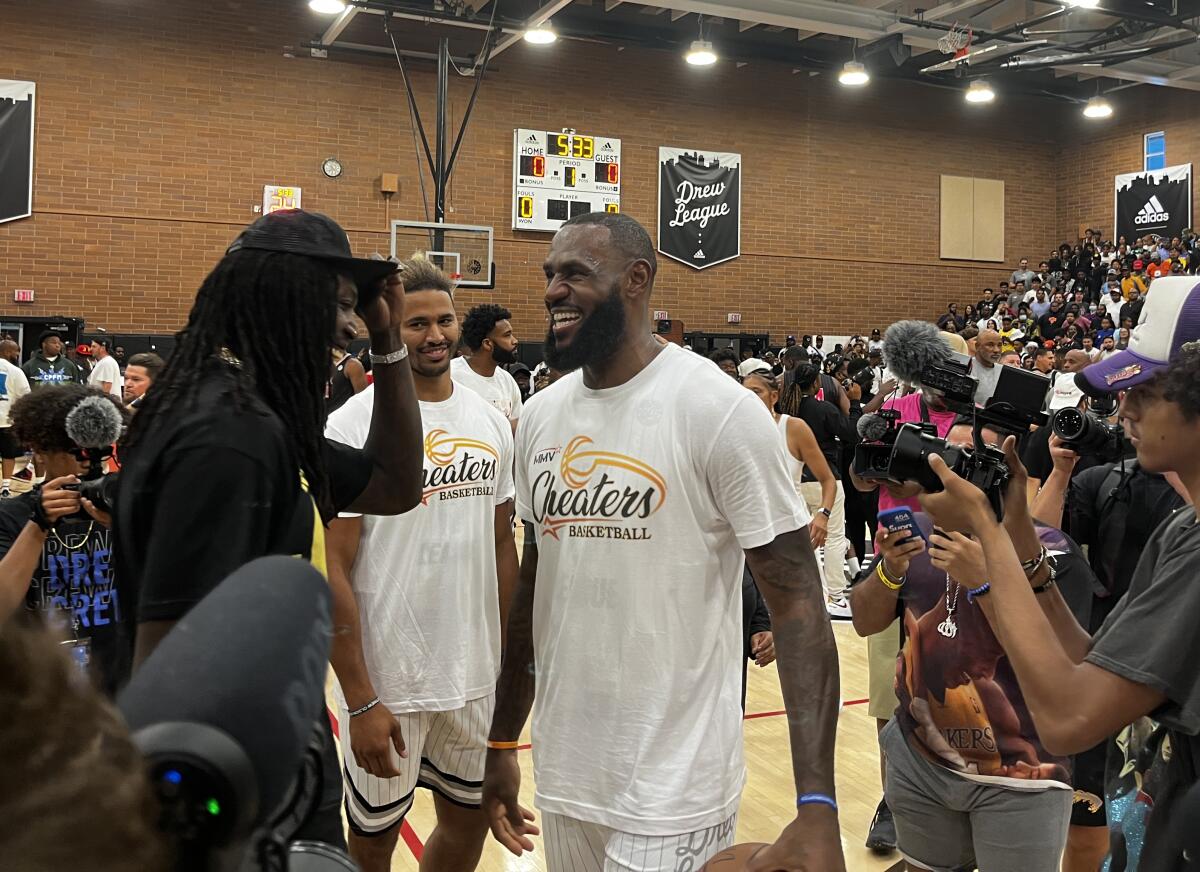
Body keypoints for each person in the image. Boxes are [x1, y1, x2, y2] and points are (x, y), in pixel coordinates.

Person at [483, 212, 844, 872]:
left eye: (575, 274)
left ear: (637, 280)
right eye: (548, 275)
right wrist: (504, 741)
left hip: (676, 788)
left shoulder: (718, 409)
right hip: (566, 774)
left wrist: (817, 803)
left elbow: (799, 610)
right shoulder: (538, 419)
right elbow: (535, 594)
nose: (553, 291)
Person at [115, 209, 425, 849]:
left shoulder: (259, 419)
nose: (350, 324)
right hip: (234, 789)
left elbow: (396, 485)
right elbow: (168, 662)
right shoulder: (230, 437)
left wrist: (389, 342)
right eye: (340, 302)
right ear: (281, 293)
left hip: (275, 747)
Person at [917, 279, 1200, 871]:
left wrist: (986, 533)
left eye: (1146, 390)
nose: (1124, 409)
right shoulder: (1184, 529)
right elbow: (1093, 666)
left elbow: (1070, 720)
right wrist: (1019, 536)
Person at [325, 258, 518, 872]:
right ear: (389, 328)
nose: (434, 335)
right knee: (374, 841)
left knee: (467, 829)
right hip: (390, 680)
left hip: (473, 674)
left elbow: (500, 543)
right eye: (416, 324)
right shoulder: (354, 421)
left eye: (444, 320)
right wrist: (358, 697)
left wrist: (509, 661)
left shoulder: (491, 421)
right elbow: (332, 562)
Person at [850, 420, 1089, 872]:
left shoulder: (1050, 551)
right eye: (938, 456)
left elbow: (1063, 667)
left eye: (964, 461)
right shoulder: (915, 531)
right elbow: (863, 621)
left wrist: (983, 582)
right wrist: (890, 571)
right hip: (921, 761)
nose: (946, 474)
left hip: (1023, 776)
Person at [0, 385, 127, 695]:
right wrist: (38, 526)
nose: (88, 462)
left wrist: (127, 525)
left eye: (101, 450)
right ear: (40, 451)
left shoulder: (123, 508)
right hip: (37, 683)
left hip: (118, 676)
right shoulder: (13, 516)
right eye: (77, 451)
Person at [779, 363, 855, 619]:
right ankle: (835, 595)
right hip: (826, 482)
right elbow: (851, 434)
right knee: (833, 538)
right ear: (816, 384)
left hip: (796, 480)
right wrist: (852, 405)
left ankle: (808, 594)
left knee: (804, 541)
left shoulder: (785, 411)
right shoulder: (824, 409)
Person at [452, 303, 522, 427]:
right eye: (507, 335)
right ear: (487, 344)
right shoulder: (452, 376)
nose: (515, 340)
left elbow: (520, 427)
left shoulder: (507, 380)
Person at [0, 340, 30, 497]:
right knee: (8, 454)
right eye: (16, 352)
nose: (17, 355)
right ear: (7, 352)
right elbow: (25, 397)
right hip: (7, 420)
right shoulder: (15, 371)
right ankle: (5, 486)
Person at [972, 329, 1003, 405]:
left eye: (999, 345)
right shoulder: (967, 367)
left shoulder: (1003, 371)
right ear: (977, 346)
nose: (996, 350)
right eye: (990, 345)